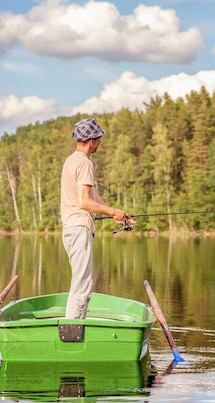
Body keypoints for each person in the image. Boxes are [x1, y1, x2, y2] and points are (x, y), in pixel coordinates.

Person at [60, 118, 133, 319]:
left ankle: (73, 328)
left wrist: (113, 211)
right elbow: (84, 202)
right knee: (82, 284)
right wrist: (111, 213)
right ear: (92, 140)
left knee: (80, 281)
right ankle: (72, 332)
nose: (100, 142)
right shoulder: (84, 163)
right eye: (99, 138)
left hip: (71, 228)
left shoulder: (71, 160)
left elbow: (90, 197)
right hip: (79, 228)